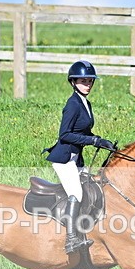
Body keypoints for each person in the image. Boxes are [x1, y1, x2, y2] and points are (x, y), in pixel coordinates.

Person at [44, 60, 116, 254]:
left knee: (91, 189)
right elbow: (64, 135)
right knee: (76, 192)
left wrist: (100, 140)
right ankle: (70, 240)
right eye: (83, 81)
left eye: (90, 81)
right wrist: (94, 141)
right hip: (64, 158)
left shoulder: (86, 102)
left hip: (77, 158)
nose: (88, 84)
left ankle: (88, 231)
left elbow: (83, 131)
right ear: (73, 82)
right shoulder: (73, 104)